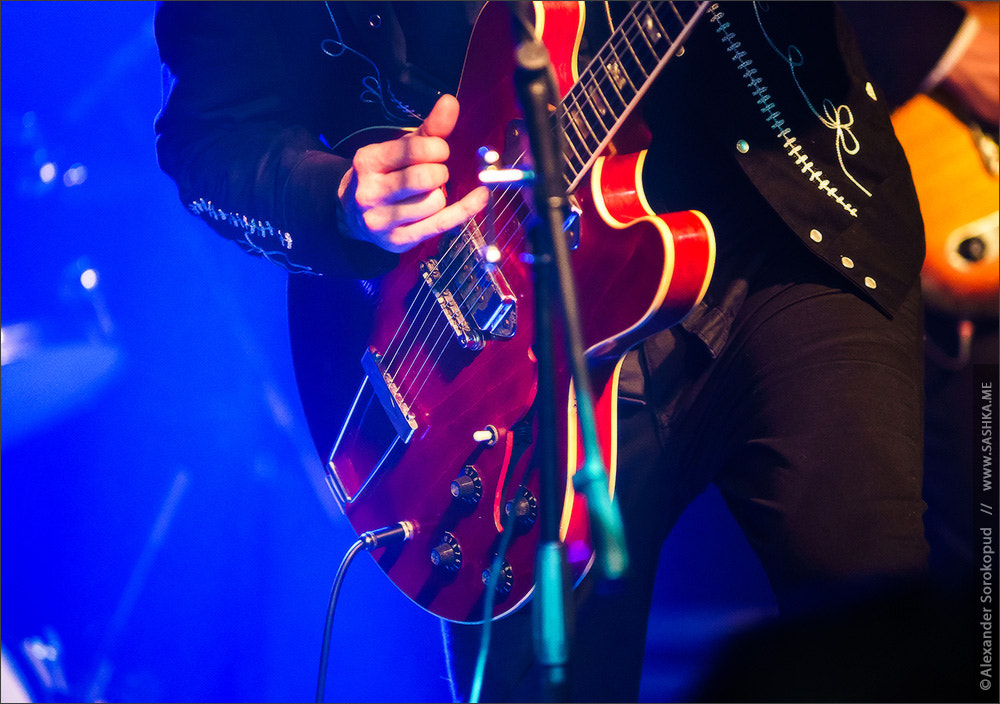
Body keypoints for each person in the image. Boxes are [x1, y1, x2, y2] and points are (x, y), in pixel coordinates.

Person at [153, 2, 970, 700]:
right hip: (481, 330)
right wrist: (335, 197)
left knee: (876, 618)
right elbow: (210, 134)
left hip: (779, 231)